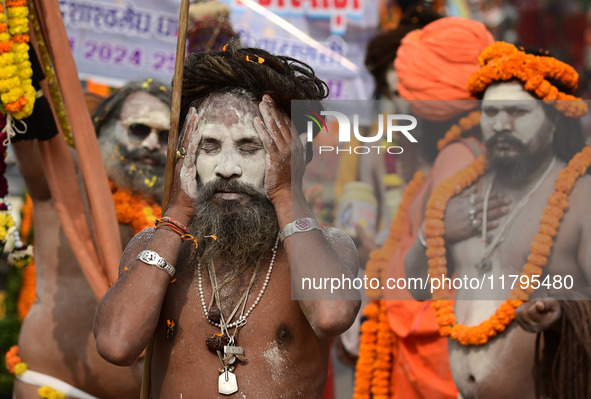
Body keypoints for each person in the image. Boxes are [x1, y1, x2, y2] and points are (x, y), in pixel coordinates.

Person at [93, 42, 361, 398]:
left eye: (250, 148)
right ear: (186, 154)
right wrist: (177, 212)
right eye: (209, 147)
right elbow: (116, 344)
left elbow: (331, 315)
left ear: (290, 156)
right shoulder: (154, 246)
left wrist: (286, 191)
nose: (227, 169)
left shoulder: (327, 248)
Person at [404, 41, 590, 398]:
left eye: (518, 113)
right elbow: (418, 287)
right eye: (490, 114)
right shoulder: (461, 192)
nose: (501, 124)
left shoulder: (580, 197)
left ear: (552, 121)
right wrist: (433, 233)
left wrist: (564, 311)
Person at [354, 17, 502, 399]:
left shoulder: (457, 154)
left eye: (405, 91)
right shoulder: (474, 149)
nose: (400, 102)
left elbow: (430, 273)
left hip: (433, 348)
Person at [10, 78, 172, 398]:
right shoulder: (69, 179)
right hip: (50, 386)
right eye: (138, 130)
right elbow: (26, 114)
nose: (152, 144)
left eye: (165, 136)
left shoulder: (178, 217)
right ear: (107, 130)